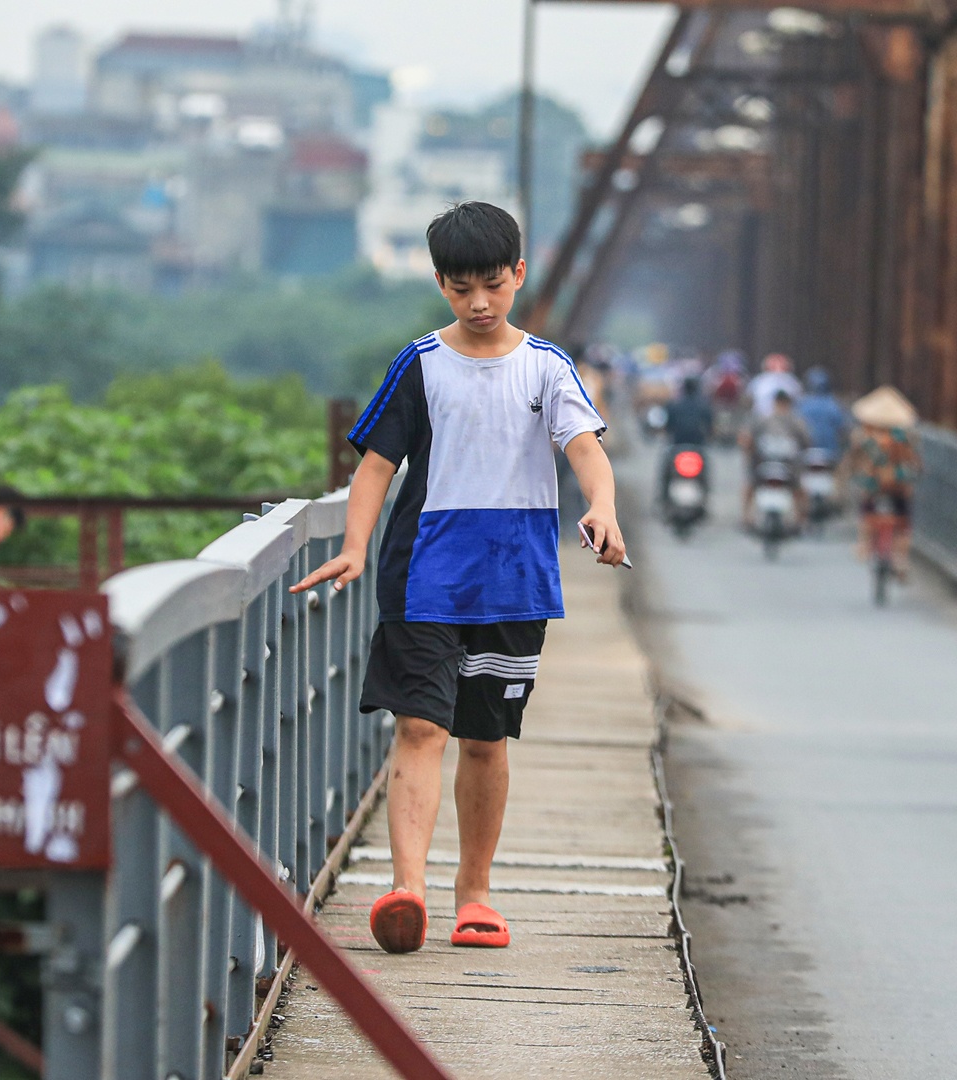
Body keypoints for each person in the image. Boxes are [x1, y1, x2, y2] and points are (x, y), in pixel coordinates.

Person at [290, 201, 624, 956]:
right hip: (423, 573)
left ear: (519, 276)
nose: (478, 303)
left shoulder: (545, 367)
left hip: (513, 577)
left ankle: (473, 893)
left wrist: (603, 509)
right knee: (420, 725)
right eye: (460, 287)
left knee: (484, 737)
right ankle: (407, 889)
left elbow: (584, 449)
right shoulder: (420, 364)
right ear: (440, 283)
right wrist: (353, 545)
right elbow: (377, 463)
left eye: (492, 286)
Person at [844, 387, 921, 576]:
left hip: (873, 484)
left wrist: (851, 474)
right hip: (898, 483)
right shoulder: (905, 437)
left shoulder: (863, 437)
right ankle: (901, 558)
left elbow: (853, 459)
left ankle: (863, 544)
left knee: (866, 512)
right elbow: (916, 462)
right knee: (903, 522)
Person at [739, 387, 811, 527]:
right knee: (798, 488)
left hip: (770, 463)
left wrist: (748, 452)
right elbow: (807, 441)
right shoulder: (795, 421)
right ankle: (801, 518)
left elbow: (745, 438)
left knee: (750, 484)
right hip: (782, 465)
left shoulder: (764, 419)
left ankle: (746, 516)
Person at [660, 375, 715, 503]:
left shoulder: (673, 405)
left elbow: (667, 427)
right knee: (706, 472)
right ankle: (705, 498)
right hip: (698, 448)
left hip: (676, 447)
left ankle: (663, 497)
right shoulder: (704, 406)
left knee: (665, 471)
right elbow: (711, 428)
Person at [797, 366, 851, 462]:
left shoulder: (801, 405)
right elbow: (844, 428)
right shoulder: (835, 405)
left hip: (807, 454)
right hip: (831, 454)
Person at [747, 352, 804, 418]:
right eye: (775, 363)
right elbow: (749, 399)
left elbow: (799, 401)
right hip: (762, 419)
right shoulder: (758, 381)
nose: (777, 366)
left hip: (786, 420)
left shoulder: (792, 381)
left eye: (780, 363)